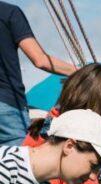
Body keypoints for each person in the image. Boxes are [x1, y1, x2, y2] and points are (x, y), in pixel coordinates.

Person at [0, 1, 75, 145]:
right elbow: (40, 60)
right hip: (6, 105)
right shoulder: (9, 12)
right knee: (20, 162)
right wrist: (79, 71)